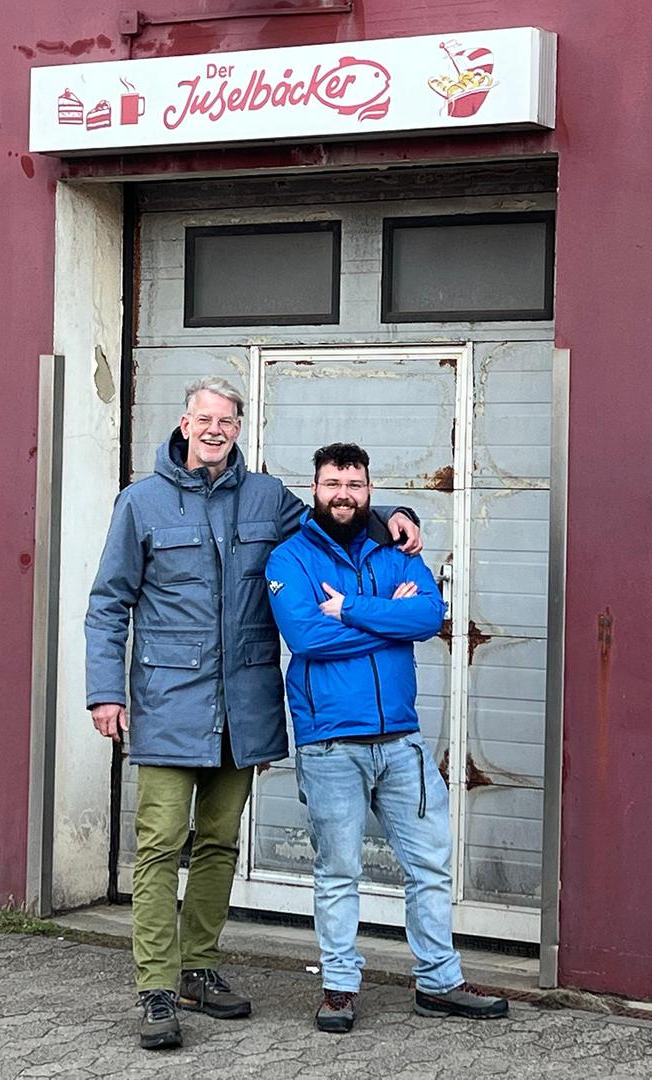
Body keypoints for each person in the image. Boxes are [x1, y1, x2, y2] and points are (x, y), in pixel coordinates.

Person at [84, 380, 422, 1050]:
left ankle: (199, 969)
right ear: (184, 422)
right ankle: (157, 986)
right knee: (157, 848)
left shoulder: (268, 498)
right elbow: (108, 603)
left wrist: (397, 516)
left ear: (239, 427)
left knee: (217, 844)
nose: (215, 430)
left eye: (227, 421)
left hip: (244, 707)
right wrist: (105, 692)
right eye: (204, 419)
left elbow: (337, 519)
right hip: (168, 705)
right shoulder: (141, 503)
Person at [263, 442, 510, 1034]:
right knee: (338, 870)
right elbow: (306, 638)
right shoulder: (289, 559)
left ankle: (439, 982)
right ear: (315, 489)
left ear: (370, 489)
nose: (343, 494)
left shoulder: (395, 550)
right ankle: (340, 987)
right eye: (331, 483)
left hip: (401, 741)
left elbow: (429, 618)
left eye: (354, 483)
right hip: (330, 744)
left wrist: (348, 608)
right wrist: (384, 622)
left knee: (430, 864)